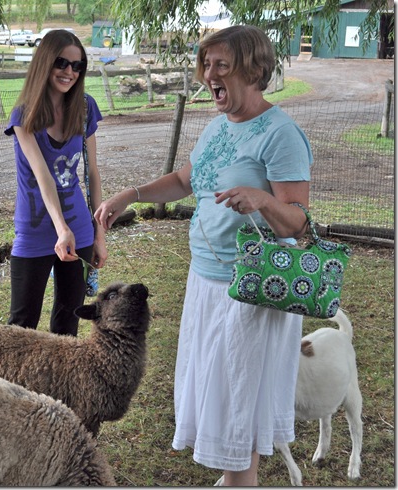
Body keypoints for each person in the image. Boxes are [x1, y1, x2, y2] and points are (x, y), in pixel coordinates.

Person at [94, 25, 313, 486]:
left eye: (221, 65)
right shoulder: (217, 126)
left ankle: (239, 480)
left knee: (238, 400)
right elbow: (185, 180)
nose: (208, 75)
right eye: (205, 65)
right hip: (207, 281)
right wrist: (129, 195)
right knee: (222, 394)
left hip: (250, 292)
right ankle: (237, 477)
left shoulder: (281, 134)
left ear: (253, 70)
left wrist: (262, 199)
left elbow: (298, 223)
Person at [4, 29, 107, 336]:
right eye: (62, 63)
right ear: (45, 62)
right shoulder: (23, 116)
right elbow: (42, 175)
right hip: (36, 228)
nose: (69, 72)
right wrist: (61, 229)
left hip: (79, 228)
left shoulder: (85, 108)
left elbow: (92, 174)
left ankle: (56, 386)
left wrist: (99, 234)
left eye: (78, 66)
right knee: (21, 326)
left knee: (67, 325)